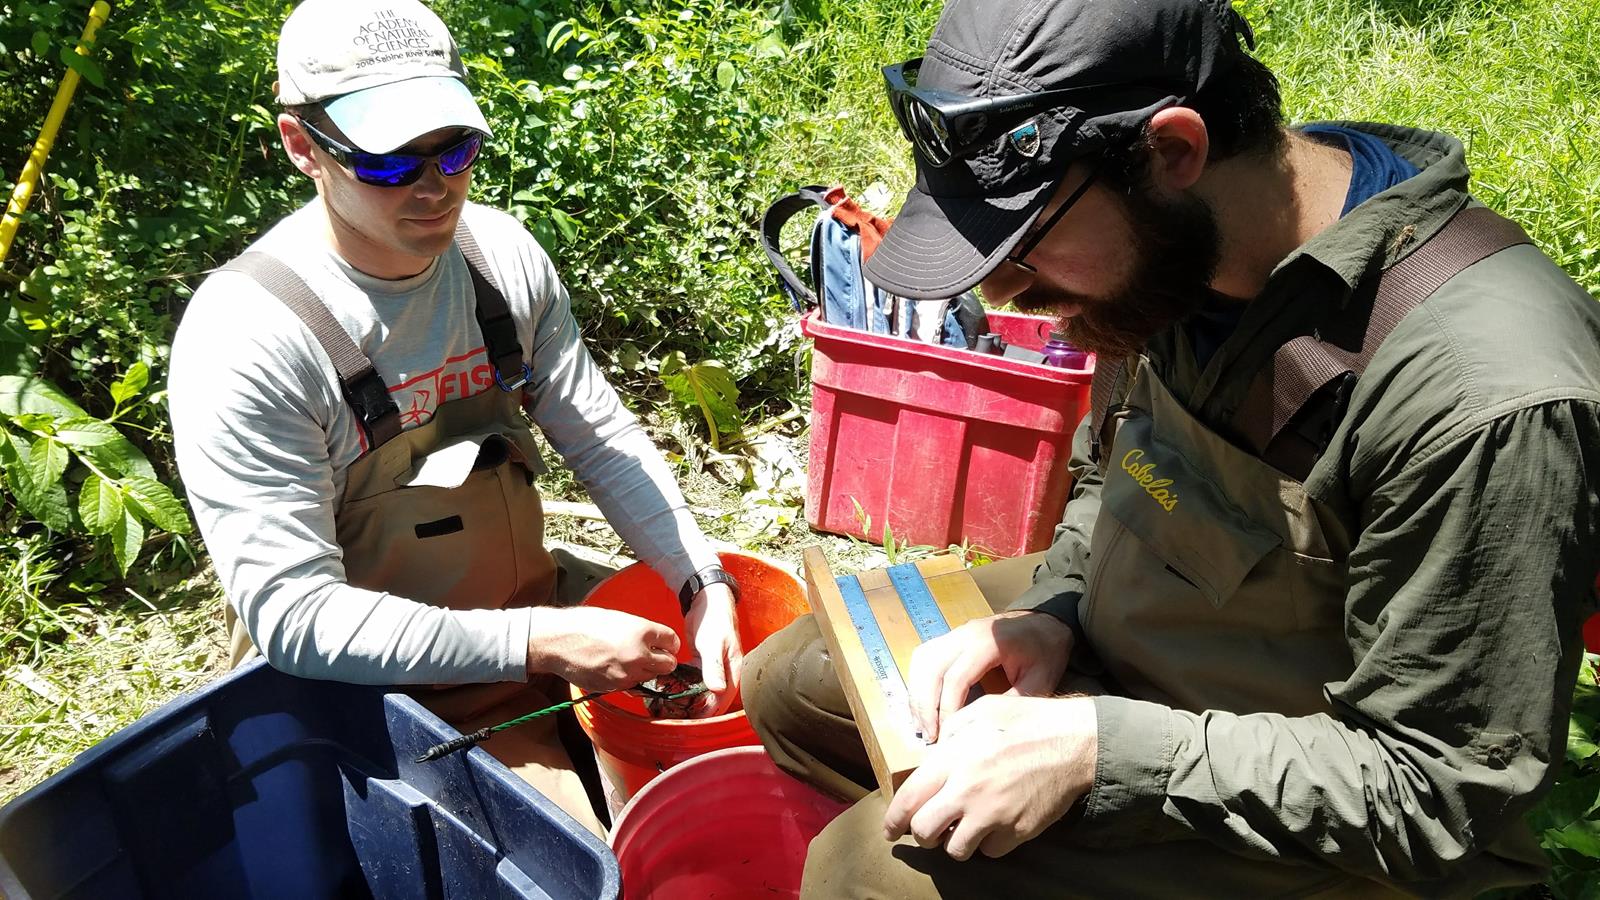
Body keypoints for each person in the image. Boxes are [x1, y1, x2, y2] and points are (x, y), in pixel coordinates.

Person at [741, 0, 1600, 895]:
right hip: (1156, 634)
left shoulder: (1486, 395)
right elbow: (1116, 464)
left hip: (1329, 785)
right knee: (791, 685)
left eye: (1023, 242)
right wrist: (1059, 608)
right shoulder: (1184, 242)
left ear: (1173, 151)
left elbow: (1439, 792)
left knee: (863, 873)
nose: (1001, 290)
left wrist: (1100, 752)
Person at [168, 0, 742, 835]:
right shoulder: (250, 336)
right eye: (393, 161)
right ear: (303, 147)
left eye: (455, 148)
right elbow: (296, 615)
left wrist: (701, 582)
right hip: (371, 689)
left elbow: (602, 435)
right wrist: (538, 642)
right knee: (604, 859)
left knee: (761, 719)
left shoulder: (500, 259)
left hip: (528, 616)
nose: (437, 186)